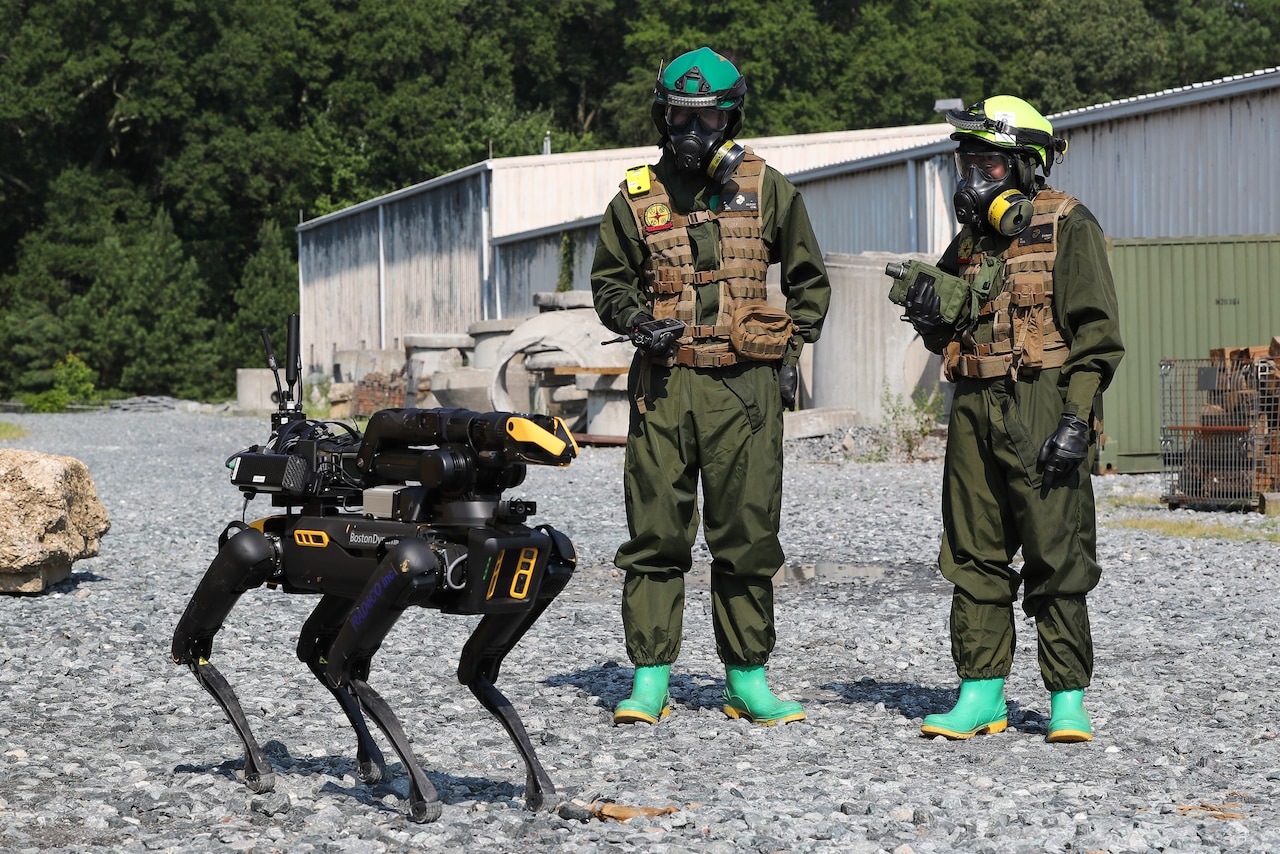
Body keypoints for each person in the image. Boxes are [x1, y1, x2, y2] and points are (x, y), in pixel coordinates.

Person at [590, 46, 831, 726]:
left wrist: (788, 342)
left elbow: (811, 281)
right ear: (661, 116)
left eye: (706, 121)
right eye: (679, 119)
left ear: (732, 119)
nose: (691, 136)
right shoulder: (636, 198)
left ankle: (747, 679)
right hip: (664, 388)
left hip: (746, 389)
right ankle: (650, 678)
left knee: (747, 535)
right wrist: (637, 320)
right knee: (655, 534)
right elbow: (608, 281)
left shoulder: (769, 188)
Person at [899, 95, 1124, 742]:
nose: (973, 180)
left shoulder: (1069, 226)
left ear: (1027, 168)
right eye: (967, 164)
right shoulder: (969, 241)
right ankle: (980, 694)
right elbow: (945, 322)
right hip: (973, 406)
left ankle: (1066, 698)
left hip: (1042, 403)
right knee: (973, 552)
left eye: (989, 167)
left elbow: (1097, 337)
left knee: (1058, 553)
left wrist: (1077, 420)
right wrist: (928, 315)